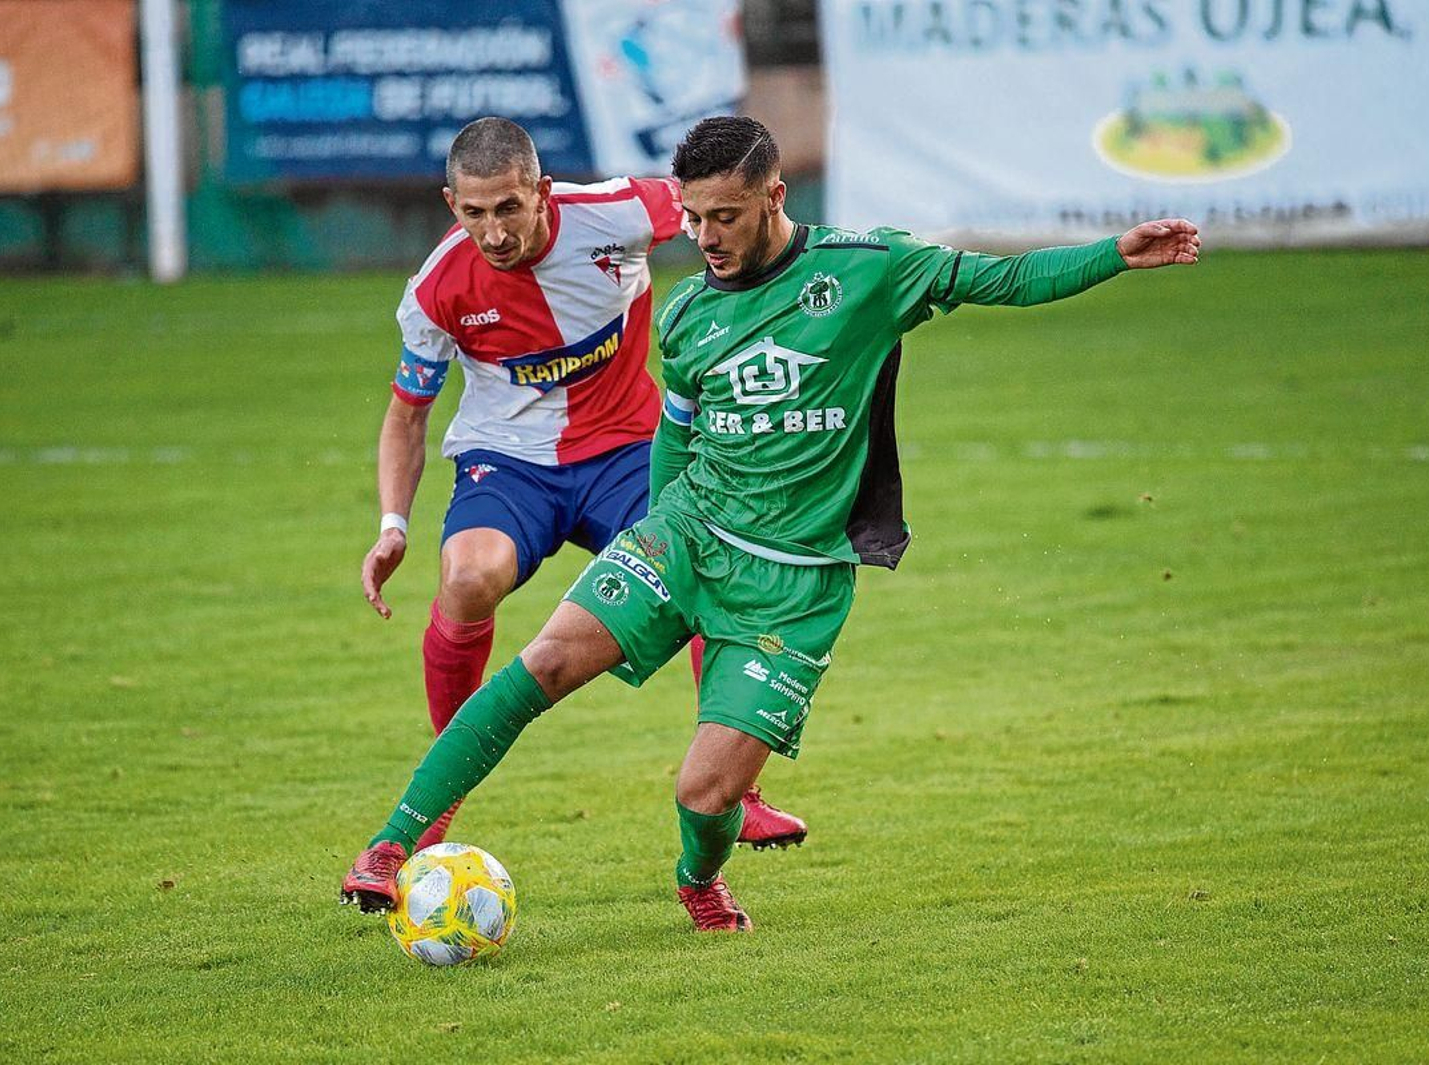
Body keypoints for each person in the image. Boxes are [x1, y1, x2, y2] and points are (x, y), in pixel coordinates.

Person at [342, 116, 1202, 931]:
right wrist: (659, 536)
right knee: (547, 660)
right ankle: (391, 842)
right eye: (692, 218)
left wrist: (1114, 255)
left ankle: (699, 879)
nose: (705, 237)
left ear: (775, 196)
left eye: (724, 216)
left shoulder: (869, 270)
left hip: (795, 582)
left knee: (706, 794)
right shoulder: (686, 316)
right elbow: (673, 441)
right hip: (687, 536)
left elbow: (1001, 279)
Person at [362, 116, 806, 853]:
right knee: (470, 577)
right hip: (510, 464)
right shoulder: (437, 287)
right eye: (474, 213)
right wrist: (392, 526)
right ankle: (442, 795)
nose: (494, 232)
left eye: (509, 207)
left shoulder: (621, 212)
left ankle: (741, 790)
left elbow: (727, 208)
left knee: (709, 574)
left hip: (629, 447)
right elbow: (406, 416)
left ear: (541, 189)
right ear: (451, 204)